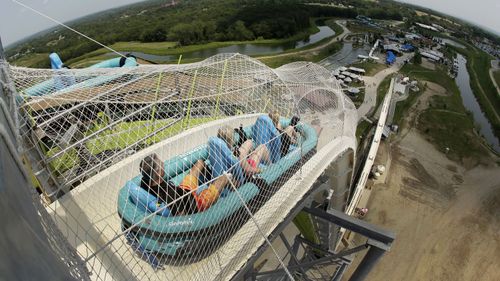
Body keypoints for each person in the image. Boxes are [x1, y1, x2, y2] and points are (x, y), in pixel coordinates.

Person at [140, 153, 230, 216]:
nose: (163, 163)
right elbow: (182, 216)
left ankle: (210, 179)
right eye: (161, 164)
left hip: (184, 191)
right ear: (158, 173)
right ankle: (236, 186)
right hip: (195, 204)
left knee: (200, 163)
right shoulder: (170, 194)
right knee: (225, 178)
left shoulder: (145, 182)